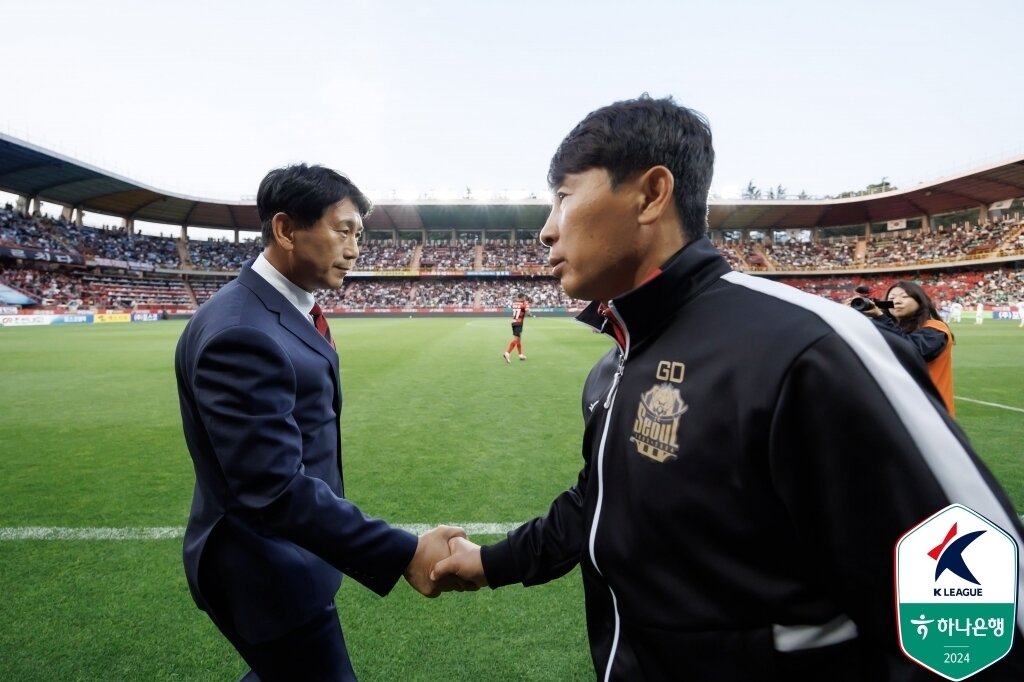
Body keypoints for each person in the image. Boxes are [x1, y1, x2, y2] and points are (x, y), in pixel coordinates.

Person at [431, 95, 1024, 680]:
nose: (545, 231)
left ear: (650, 194)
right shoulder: (614, 367)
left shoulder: (813, 347)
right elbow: (598, 504)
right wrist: (490, 562)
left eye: (562, 197)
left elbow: (980, 608)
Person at [175, 163, 465, 681]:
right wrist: (404, 552)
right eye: (344, 229)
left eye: (360, 234)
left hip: (285, 555)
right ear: (286, 229)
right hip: (266, 571)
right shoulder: (243, 333)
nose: (356, 248)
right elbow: (274, 490)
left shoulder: (272, 313)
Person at [851, 280, 956, 417]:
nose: (897, 301)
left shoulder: (935, 329)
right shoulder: (884, 327)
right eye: (892, 298)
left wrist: (880, 318)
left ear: (920, 301)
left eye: (904, 297)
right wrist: (852, 316)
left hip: (930, 412)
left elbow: (911, 350)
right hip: (898, 409)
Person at [502, 292, 531, 362]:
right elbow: (527, 313)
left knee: (519, 339)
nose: (525, 298)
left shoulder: (514, 303)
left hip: (514, 322)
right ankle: (507, 353)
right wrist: (529, 313)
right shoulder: (525, 304)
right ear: (522, 297)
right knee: (516, 340)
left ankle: (520, 355)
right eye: (524, 297)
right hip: (519, 323)